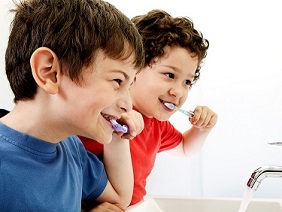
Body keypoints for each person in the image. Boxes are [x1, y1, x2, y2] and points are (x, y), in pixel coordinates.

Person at [0, 0, 145, 211]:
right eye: (117, 81)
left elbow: (119, 200)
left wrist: (117, 138)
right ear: (49, 72)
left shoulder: (71, 148)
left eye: (129, 86)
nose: (128, 105)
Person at [80, 9, 218, 207]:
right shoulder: (106, 116)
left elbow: (185, 148)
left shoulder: (157, 126)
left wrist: (202, 129)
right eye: (170, 75)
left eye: (187, 82)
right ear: (134, 68)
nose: (179, 91)